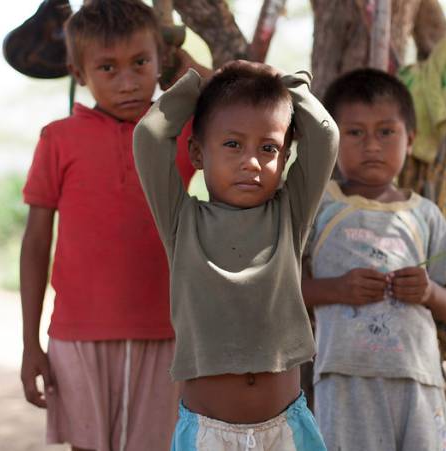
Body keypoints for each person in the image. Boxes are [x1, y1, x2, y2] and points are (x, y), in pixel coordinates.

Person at [132, 61, 338, 450]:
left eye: (268, 148)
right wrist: (200, 84)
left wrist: (289, 86)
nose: (252, 162)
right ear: (196, 152)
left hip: (285, 429)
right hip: (209, 434)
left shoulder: (290, 214)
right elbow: (149, 135)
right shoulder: (181, 221)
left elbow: (325, 138)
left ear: (286, 155)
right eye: (232, 144)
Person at [19, 1, 196, 450]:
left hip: (166, 332)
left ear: (161, 59)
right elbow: (36, 243)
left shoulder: (182, 132)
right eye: (107, 68)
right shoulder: (57, 139)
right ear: (79, 73)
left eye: (141, 63)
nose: (128, 81)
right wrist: (29, 343)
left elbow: (236, 103)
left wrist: (187, 64)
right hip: (76, 335)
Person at [301, 68, 446, 451]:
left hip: (419, 377)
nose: (371, 145)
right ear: (332, 140)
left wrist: (428, 292)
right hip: (343, 377)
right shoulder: (317, 205)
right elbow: (286, 290)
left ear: (411, 138)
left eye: (386, 132)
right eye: (355, 133)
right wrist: (336, 289)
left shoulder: (425, 215)